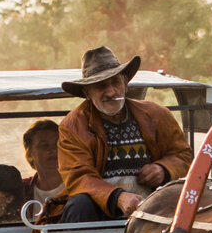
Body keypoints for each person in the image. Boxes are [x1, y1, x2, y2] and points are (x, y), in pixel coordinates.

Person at [58, 45, 193, 222]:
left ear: (125, 83)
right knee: (79, 204)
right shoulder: (72, 126)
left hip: (154, 208)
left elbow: (183, 155)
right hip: (98, 211)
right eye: (101, 86)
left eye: (115, 82)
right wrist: (118, 197)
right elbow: (79, 177)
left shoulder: (158, 115)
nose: (111, 92)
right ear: (87, 92)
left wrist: (163, 169)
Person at [22, 119, 64, 205]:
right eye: (44, 145)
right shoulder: (21, 189)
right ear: (29, 154)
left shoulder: (79, 185)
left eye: (58, 144)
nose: (53, 150)